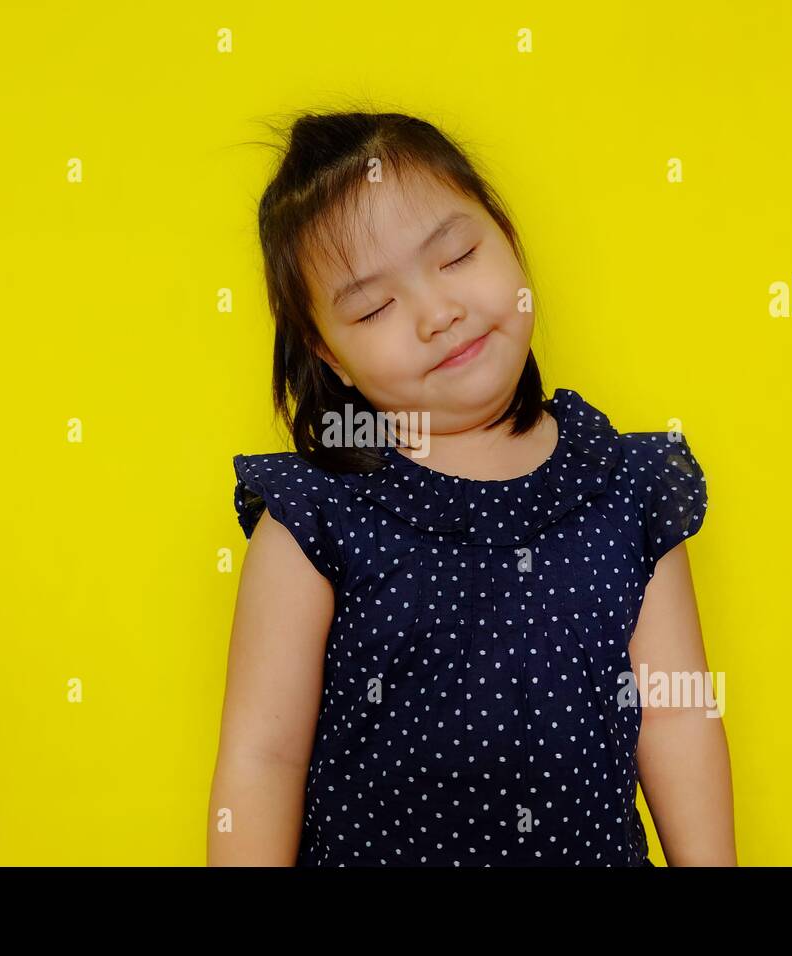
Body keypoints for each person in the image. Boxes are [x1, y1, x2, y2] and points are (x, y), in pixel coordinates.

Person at [209, 109, 736, 866]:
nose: (438, 314)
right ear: (331, 357)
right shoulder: (314, 513)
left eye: (456, 256)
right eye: (376, 307)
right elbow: (263, 759)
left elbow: (677, 717)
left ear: (507, 238)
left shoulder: (626, 487)